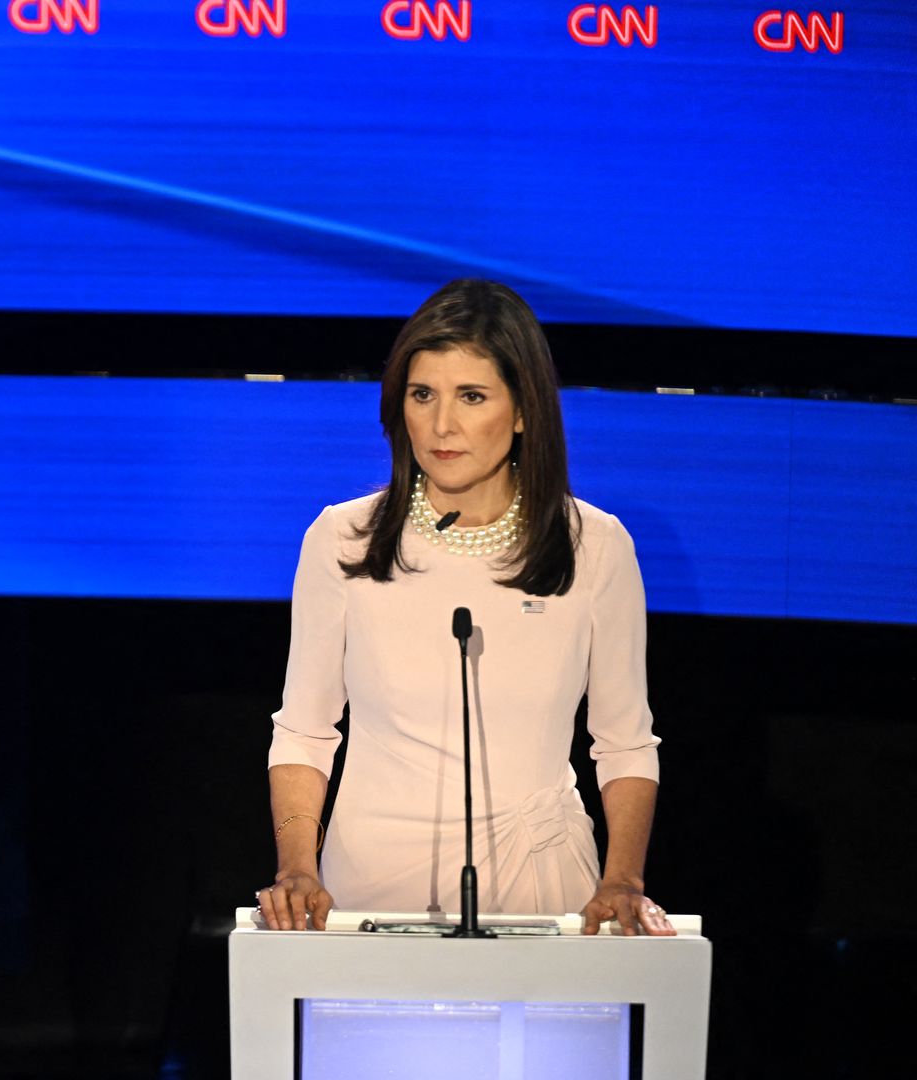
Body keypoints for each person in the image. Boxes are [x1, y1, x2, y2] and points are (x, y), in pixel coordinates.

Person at [255, 279, 674, 936]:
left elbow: (623, 745)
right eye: (423, 395)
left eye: (471, 396)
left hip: (543, 893)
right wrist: (296, 869)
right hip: (372, 897)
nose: (442, 425)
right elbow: (304, 733)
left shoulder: (595, 548)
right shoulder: (343, 539)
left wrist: (623, 879)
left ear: (522, 410)